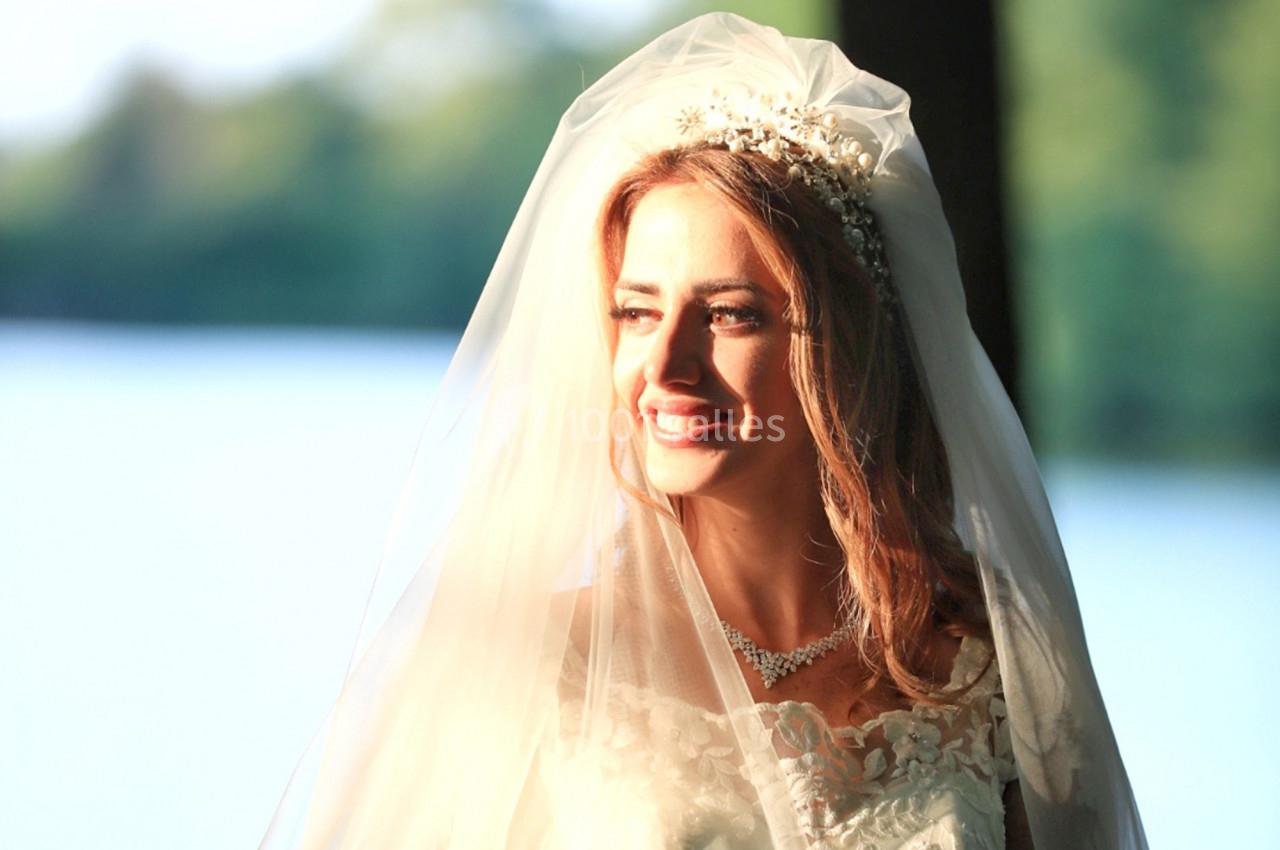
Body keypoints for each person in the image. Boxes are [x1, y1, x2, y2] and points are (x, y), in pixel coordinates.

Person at [258, 13, 1148, 850]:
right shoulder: (518, 659)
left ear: (848, 343)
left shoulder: (987, 669)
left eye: (729, 315)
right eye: (638, 313)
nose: (668, 366)